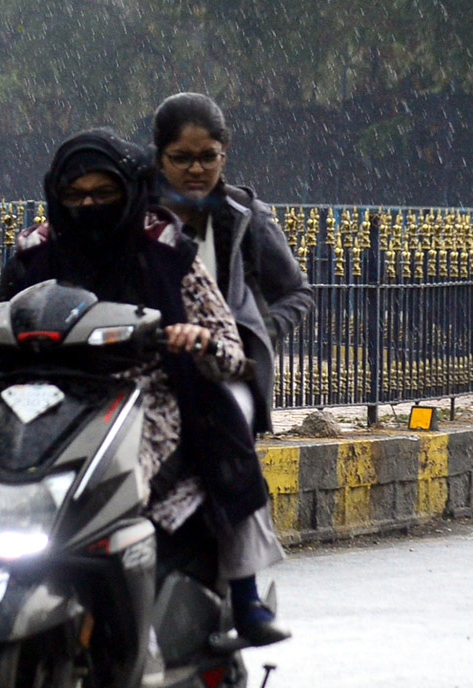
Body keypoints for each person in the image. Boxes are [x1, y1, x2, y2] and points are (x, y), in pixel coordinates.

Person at [0, 128, 288, 645]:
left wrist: (196, 339)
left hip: (146, 398)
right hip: (43, 407)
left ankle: (244, 600)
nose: (88, 206)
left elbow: (230, 350)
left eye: (103, 194)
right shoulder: (34, 253)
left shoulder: (169, 252)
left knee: (224, 449)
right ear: (56, 195)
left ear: (130, 190)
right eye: (75, 195)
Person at [151, 92, 312, 640]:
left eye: (208, 156)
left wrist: (251, 337)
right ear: (159, 157)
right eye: (181, 157)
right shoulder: (135, 213)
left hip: (226, 368)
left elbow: (296, 293)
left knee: (228, 439)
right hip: (147, 365)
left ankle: (245, 595)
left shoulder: (244, 213)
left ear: (225, 154)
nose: (196, 168)